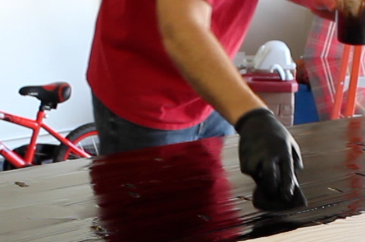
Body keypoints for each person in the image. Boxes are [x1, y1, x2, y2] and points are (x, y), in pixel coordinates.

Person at [87, 0, 340, 210]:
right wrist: (253, 116)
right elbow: (181, 28)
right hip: (147, 89)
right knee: (151, 239)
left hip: (214, 83)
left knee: (212, 221)